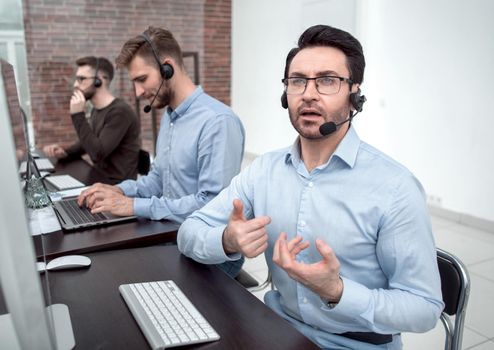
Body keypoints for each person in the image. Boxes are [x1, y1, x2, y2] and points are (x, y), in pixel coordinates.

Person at [177, 25, 444, 349]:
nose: (308, 93)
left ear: (354, 93)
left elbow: (424, 308)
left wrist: (338, 291)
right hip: (276, 330)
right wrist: (227, 239)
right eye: (298, 80)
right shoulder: (264, 170)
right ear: (285, 93)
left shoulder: (395, 188)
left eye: (328, 80)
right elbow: (189, 232)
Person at [77, 27, 245, 276]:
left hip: (208, 254)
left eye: (142, 79)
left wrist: (134, 206)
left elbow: (211, 205)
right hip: (170, 234)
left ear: (167, 68)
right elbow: (158, 178)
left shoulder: (217, 122)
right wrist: (119, 191)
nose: (137, 93)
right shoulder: (171, 116)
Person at [43, 56, 140, 181]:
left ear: (99, 80)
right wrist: (65, 152)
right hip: (99, 179)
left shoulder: (120, 112)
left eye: (81, 79)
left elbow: (97, 154)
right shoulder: (96, 110)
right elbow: (88, 143)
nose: (75, 84)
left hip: (118, 187)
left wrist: (78, 115)